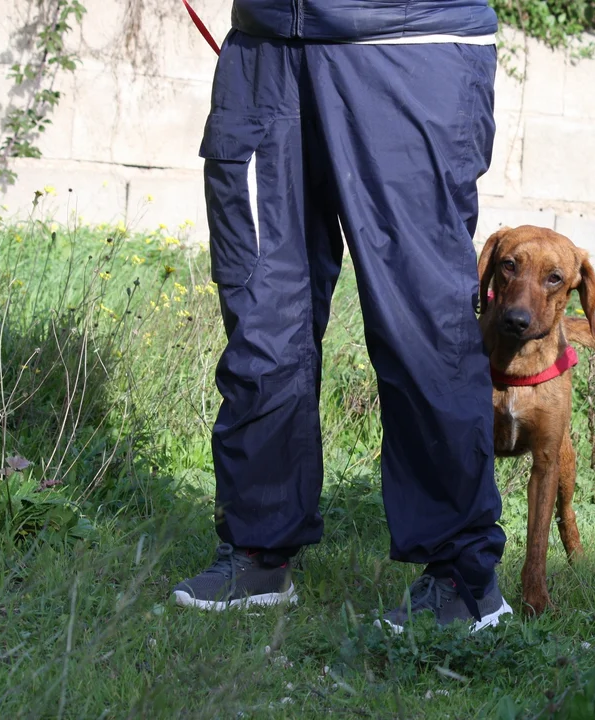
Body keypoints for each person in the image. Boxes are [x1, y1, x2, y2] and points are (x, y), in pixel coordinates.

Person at [168, 0, 511, 632]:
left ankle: (463, 578)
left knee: (421, 320)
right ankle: (257, 548)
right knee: (262, 309)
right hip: (268, 47)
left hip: (411, 46)